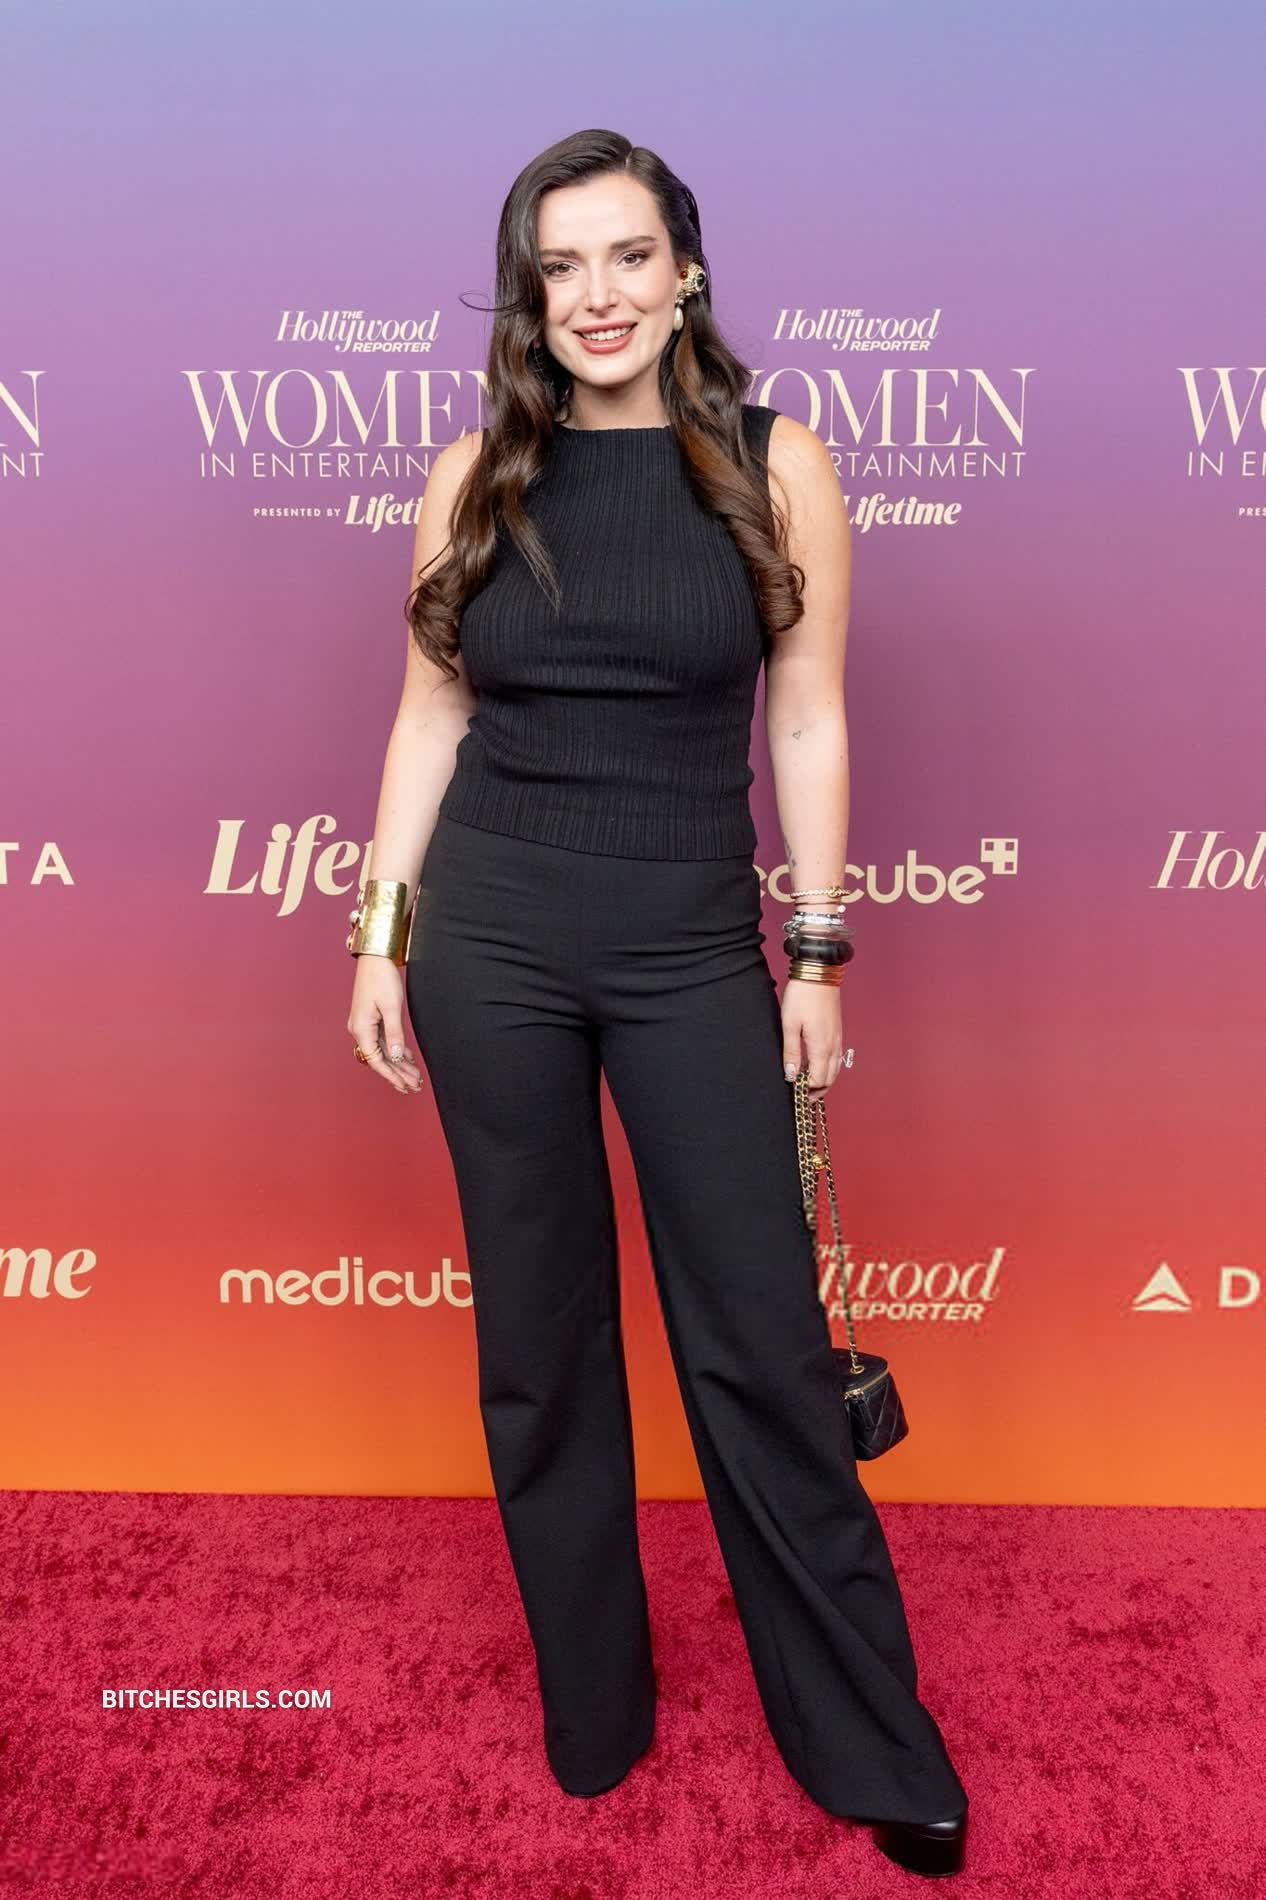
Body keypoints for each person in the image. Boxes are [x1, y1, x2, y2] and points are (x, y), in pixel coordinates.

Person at [345, 129, 969, 1879]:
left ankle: (868, 1738)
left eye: (626, 257)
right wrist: (381, 935)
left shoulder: (777, 461)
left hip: (692, 944)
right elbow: (428, 716)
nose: (597, 296)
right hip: (491, 940)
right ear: (528, 295)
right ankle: (594, 1703)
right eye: (560, 267)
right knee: (539, 1345)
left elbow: (806, 710)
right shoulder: (475, 473)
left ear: (684, 271)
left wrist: (817, 950)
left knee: (758, 1339)